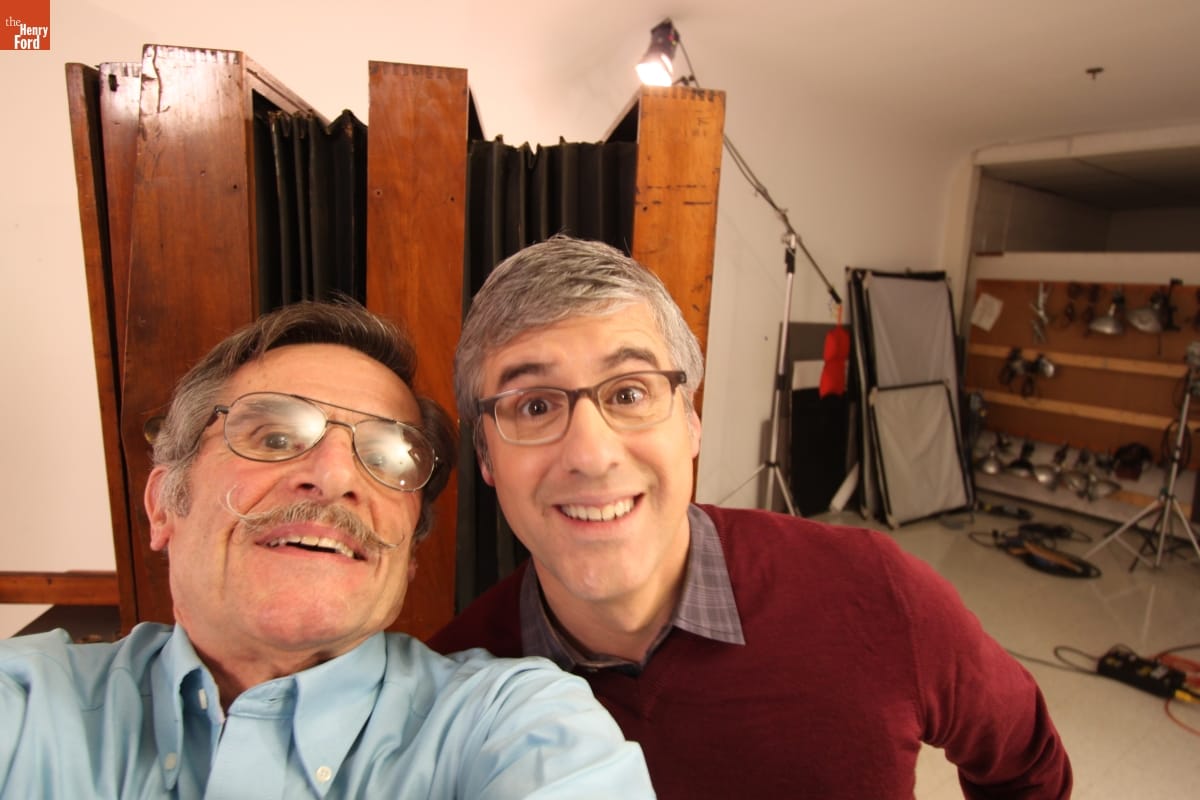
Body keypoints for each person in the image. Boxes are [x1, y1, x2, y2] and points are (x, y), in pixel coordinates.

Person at [429, 236, 1073, 798]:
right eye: (534, 407)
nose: (592, 455)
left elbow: (1028, 766)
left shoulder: (877, 593)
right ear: (486, 457)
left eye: (629, 393)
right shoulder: (446, 697)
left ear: (690, 423)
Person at [0, 300, 654, 798]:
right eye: (275, 437)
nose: (338, 476)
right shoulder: (25, 707)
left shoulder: (519, 728)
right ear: (165, 503)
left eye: (388, 456)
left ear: (408, 554)